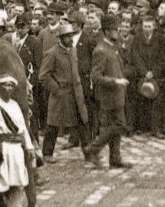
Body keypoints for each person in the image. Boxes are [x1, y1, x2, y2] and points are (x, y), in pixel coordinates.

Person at [84, 14, 133, 169]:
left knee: (116, 127)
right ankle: (93, 148)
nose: (117, 32)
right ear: (106, 31)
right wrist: (115, 81)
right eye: (114, 30)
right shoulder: (101, 50)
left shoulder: (113, 46)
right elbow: (95, 77)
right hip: (108, 97)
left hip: (117, 95)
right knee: (119, 125)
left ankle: (115, 158)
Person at [38, 23, 90, 162]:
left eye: (71, 35)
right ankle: (47, 153)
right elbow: (43, 76)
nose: (70, 39)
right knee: (53, 124)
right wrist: (57, 89)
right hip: (60, 94)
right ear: (60, 38)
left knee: (82, 121)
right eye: (67, 36)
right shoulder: (52, 53)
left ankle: (88, 150)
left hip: (76, 93)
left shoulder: (72, 50)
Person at [0, 74, 34, 207]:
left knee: (19, 180)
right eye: (5, 85)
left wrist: (28, 147)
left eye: (11, 86)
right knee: (1, 181)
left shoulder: (15, 105)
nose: (8, 89)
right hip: (2, 147)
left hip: (16, 148)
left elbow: (22, 128)